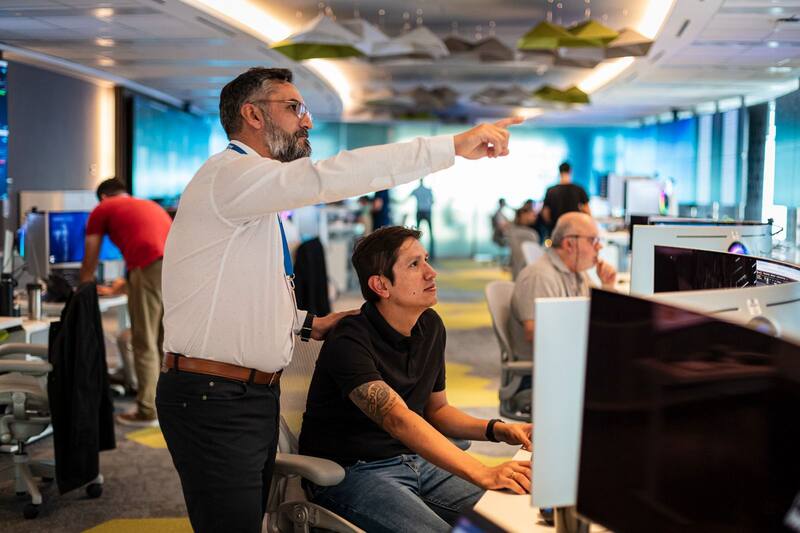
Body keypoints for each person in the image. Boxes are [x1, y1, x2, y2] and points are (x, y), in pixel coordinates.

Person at [155, 66, 522, 533]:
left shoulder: (249, 198)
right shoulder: (232, 176)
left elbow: (241, 297)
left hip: (247, 395)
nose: (306, 121)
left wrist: (309, 324)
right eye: (294, 108)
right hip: (214, 395)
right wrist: (449, 147)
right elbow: (334, 176)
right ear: (252, 115)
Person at [299, 226, 532, 532]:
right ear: (381, 285)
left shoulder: (430, 326)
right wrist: (482, 472)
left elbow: (438, 411)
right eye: (414, 264)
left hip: (414, 461)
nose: (431, 272)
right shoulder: (349, 339)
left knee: (509, 514)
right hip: (352, 472)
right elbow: (398, 419)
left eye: (426, 260)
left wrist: (500, 430)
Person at [79, 177, 172, 427]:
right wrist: (124, 284)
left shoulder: (103, 208)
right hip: (174, 268)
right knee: (164, 342)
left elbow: (90, 256)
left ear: (103, 197)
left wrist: (81, 290)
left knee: (144, 341)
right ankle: (167, 406)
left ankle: (147, 411)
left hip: (148, 268)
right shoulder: (147, 204)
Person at [509, 212, 616, 364]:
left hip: (571, 358)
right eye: (592, 240)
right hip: (549, 368)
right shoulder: (540, 276)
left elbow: (597, 317)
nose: (600, 246)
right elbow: (536, 334)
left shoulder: (578, 272)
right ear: (568, 244)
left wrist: (607, 286)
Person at [540, 161, 591, 236]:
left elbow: (545, 213)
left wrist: (551, 225)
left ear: (559, 171)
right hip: (574, 230)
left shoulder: (551, 191)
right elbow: (587, 211)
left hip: (556, 230)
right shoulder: (579, 189)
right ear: (570, 171)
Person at [508, 207, 540, 280]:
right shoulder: (530, 234)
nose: (534, 217)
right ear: (523, 215)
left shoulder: (511, 231)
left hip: (517, 271)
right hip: (528, 271)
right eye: (532, 215)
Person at [410, 178, 435, 259]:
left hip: (420, 211)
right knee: (430, 233)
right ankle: (432, 255)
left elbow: (406, 198)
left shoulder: (416, 190)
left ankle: (417, 253)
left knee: (417, 234)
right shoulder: (428, 190)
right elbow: (433, 201)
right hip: (427, 211)